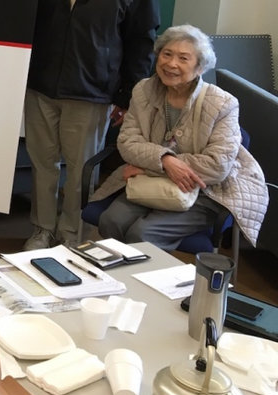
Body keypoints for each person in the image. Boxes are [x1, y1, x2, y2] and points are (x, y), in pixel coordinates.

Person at [15, 0, 160, 250]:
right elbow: (26, 15)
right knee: (43, 163)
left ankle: (70, 234)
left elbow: (142, 36)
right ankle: (41, 229)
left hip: (93, 87)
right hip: (42, 82)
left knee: (81, 169)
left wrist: (129, 94)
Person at [92, 25, 267, 249]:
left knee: (142, 235)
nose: (171, 64)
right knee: (111, 221)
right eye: (167, 54)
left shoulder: (224, 103)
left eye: (183, 58)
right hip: (150, 184)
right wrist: (165, 161)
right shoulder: (143, 91)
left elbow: (218, 165)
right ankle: (114, 280)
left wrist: (150, 166)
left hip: (204, 191)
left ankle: (147, 282)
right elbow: (127, 143)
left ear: (200, 66)